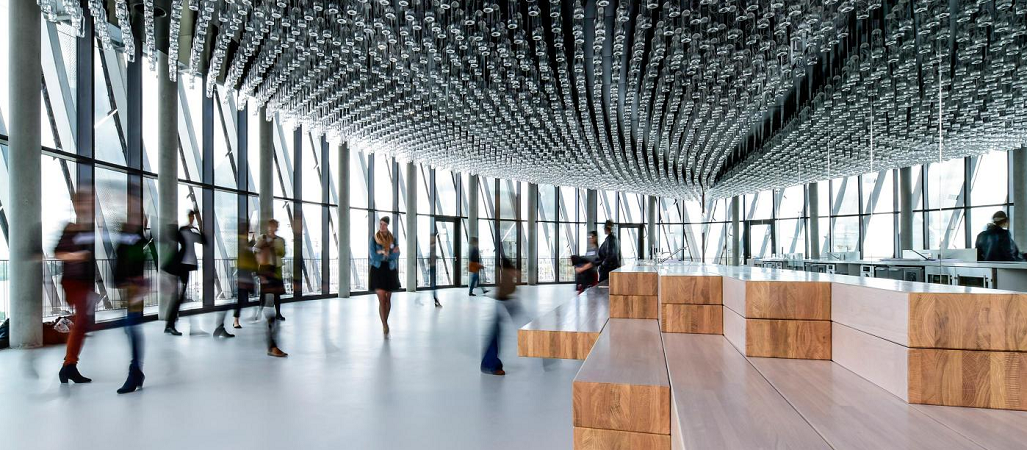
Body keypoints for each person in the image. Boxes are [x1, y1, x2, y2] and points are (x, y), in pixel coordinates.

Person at [55, 190, 96, 384]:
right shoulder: (71, 228)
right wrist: (77, 256)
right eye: (85, 203)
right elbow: (58, 253)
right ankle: (69, 365)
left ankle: (69, 366)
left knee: (82, 323)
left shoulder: (87, 229)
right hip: (72, 282)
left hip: (83, 283)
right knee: (81, 323)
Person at [112, 211, 150, 394]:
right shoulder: (128, 239)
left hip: (135, 289)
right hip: (129, 288)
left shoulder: (139, 241)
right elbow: (120, 262)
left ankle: (134, 372)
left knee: (132, 327)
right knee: (130, 327)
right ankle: (137, 372)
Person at [164, 210, 206, 336]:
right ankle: (170, 324)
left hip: (187, 266)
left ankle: (170, 323)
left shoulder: (193, 232)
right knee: (177, 297)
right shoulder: (183, 230)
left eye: (193, 217)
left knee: (179, 297)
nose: (192, 218)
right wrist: (175, 225)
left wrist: (198, 227)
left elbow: (204, 241)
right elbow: (171, 234)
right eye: (191, 216)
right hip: (180, 266)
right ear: (188, 217)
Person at [480, 257, 521, 376]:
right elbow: (507, 291)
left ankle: (490, 364)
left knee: (496, 333)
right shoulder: (507, 276)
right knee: (495, 333)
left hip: (505, 303)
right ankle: (490, 364)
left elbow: (510, 290)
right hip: (502, 303)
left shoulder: (507, 276)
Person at [214, 229, 256, 338]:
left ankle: (230, 320)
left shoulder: (245, 245)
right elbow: (244, 261)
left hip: (247, 276)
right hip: (244, 277)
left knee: (243, 301)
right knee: (240, 301)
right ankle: (231, 320)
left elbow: (251, 249)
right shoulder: (242, 246)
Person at [256, 219, 288, 357]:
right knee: (265, 297)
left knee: (276, 296)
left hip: (275, 269)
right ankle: (272, 345)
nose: (274, 228)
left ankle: (272, 345)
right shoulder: (262, 239)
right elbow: (256, 251)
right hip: (266, 270)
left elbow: (282, 252)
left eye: (276, 226)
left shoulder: (279, 240)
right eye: (273, 226)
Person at [369, 216, 401, 335]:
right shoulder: (373, 239)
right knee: (382, 299)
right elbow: (373, 255)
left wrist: (386, 254)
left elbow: (396, 255)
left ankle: (385, 321)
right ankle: (385, 325)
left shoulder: (393, 240)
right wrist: (385, 254)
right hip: (378, 270)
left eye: (384, 224)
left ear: (387, 225)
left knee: (388, 299)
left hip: (390, 270)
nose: (382, 226)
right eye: (380, 224)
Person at [429, 232, 442, 308]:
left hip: (432, 266)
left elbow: (432, 256)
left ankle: (436, 300)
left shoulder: (432, 246)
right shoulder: (433, 246)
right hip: (432, 267)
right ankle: (436, 300)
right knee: (434, 285)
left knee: (434, 285)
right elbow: (432, 255)